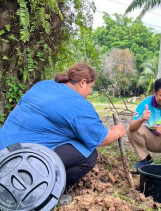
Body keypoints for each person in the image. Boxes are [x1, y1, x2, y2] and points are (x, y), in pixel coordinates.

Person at [0, 63, 125, 193]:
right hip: (19, 162)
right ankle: (51, 192)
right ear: (82, 83)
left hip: (3, 150)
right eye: (91, 87)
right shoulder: (78, 105)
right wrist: (117, 132)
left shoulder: (43, 85)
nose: (90, 92)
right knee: (89, 154)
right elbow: (102, 139)